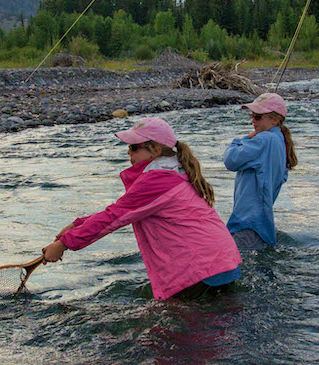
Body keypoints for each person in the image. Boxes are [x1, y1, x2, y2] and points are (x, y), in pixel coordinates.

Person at [42, 117, 242, 300]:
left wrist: (64, 244)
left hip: (203, 268)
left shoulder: (157, 179)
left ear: (155, 151)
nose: (128, 151)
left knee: (177, 334)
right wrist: (76, 225)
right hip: (221, 261)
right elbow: (121, 210)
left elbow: (114, 217)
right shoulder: (173, 170)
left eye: (134, 147)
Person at [223, 92, 298, 250]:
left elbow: (231, 160)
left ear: (275, 120)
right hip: (261, 222)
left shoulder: (264, 140)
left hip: (247, 222)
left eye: (258, 116)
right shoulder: (280, 142)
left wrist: (242, 140)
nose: (252, 120)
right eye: (252, 115)